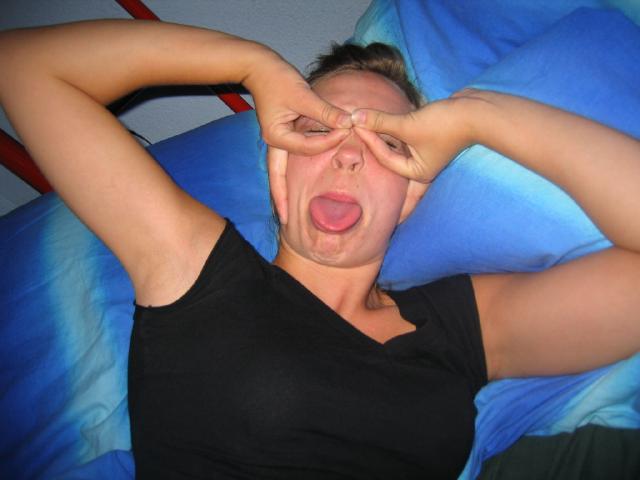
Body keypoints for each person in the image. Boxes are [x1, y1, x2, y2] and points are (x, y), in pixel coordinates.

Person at [0, 19, 638, 479]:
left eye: (387, 142)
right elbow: (23, 67)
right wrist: (252, 65)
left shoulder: (460, 327)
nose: (348, 155)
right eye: (316, 128)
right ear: (277, 163)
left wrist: (480, 118)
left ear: (412, 193)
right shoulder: (197, 270)